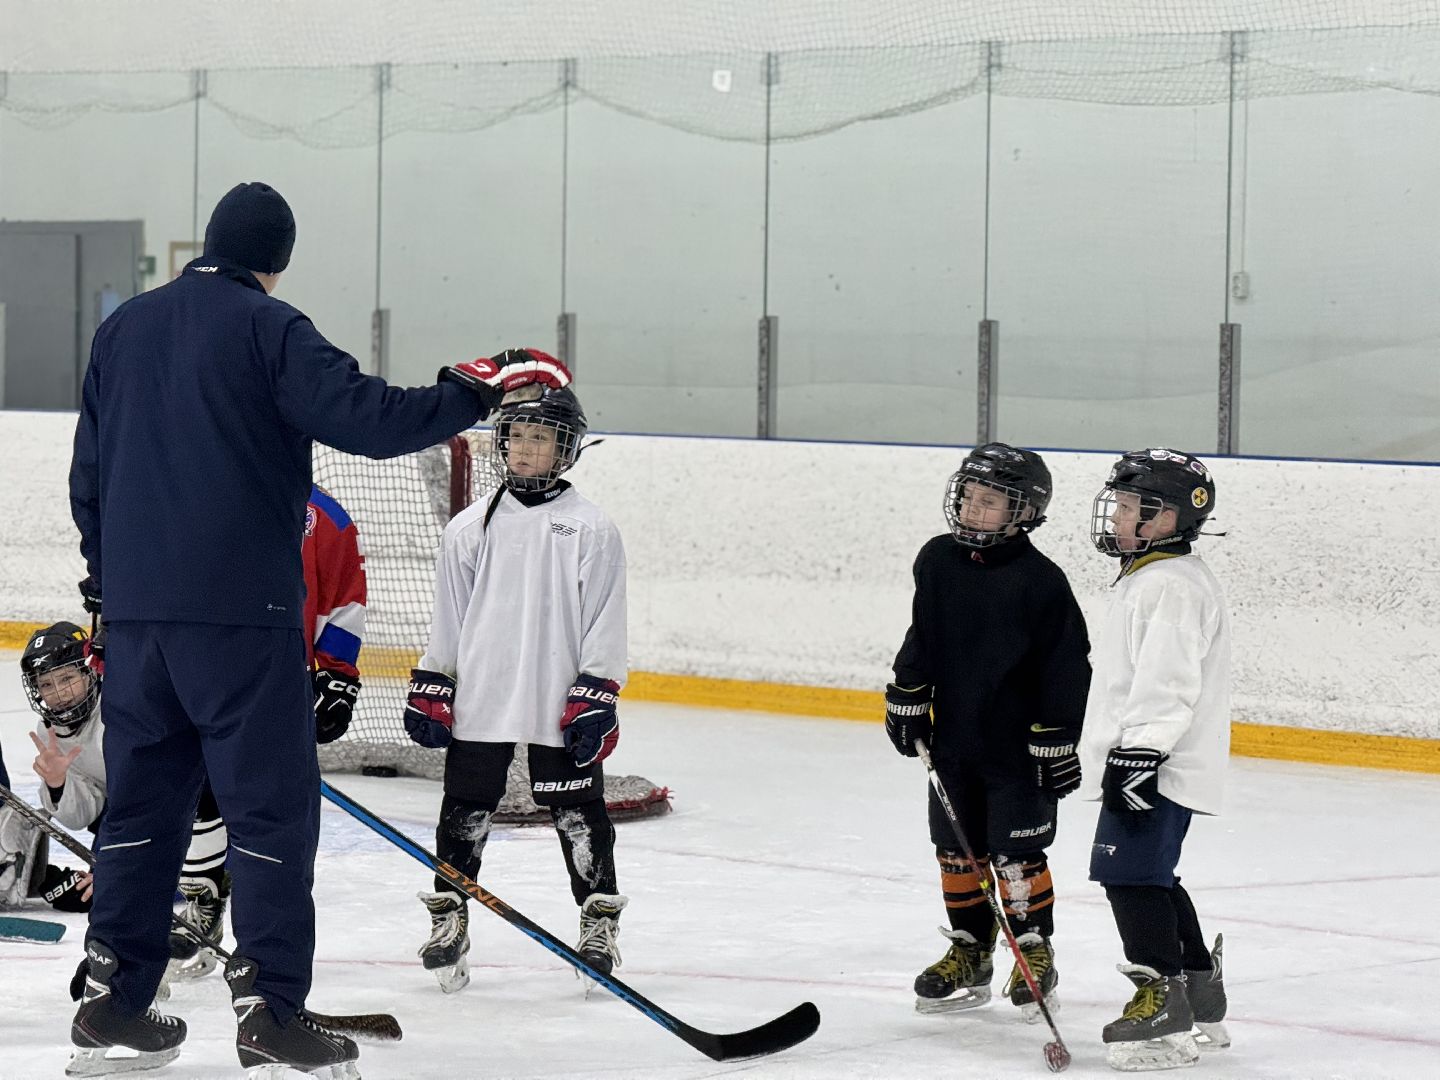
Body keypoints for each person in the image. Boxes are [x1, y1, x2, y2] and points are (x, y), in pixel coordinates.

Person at [67, 179, 571, 1077]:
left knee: (143, 810)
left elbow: (90, 476)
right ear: (277, 260)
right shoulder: (271, 327)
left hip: (140, 626)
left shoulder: (123, 330)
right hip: (242, 624)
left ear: (206, 245)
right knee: (270, 811)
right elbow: (370, 421)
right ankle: (270, 1009)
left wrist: (114, 593)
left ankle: (113, 999)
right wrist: (475, 384)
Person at [402, 384, 628, 994]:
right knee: (465, 809)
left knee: (579, 814)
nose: (526, 448)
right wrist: (435, 679)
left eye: (541, 437)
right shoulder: (469, 528)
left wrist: (597, 693)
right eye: (518, 435)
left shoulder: (591, 528)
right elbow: (449, 616)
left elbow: (605, 618)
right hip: (483, 694)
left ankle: (598, 919)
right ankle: (450, 917)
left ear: (565, 448)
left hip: (558, 699)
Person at [884, 443, 1091, 1017]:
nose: (975, 510)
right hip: (954, 738)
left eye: (991, 502)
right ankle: (972, 951)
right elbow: (923, 633)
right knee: (957, 850)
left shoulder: (1041, 581)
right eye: (970, 498)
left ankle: (1033, 949)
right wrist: (906, 692)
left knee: (1015, 854)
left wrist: (1057, 735)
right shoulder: (937, 560)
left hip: (1018, 748)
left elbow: (1068, 664)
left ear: (1023, 512)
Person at [166, 483, 368, 983]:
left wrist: (337, 673)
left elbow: (343, 598)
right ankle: (202, 896)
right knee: (197, 796)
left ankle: (276, 935)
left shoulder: (324, 516)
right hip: (205, 673)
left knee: (283, 814)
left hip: (282, 682)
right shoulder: (199, 495)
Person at [1078, 448, 1230, 1072]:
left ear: (1172, 518)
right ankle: (1199, 988)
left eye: (1133, 507)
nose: (1117, 517)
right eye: (1117, 505)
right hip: (1157, 756)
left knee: (1129, 876)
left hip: (1156, 760)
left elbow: (1168, 680)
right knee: (1152, 874)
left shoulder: (1169, 584)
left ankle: (1162, 997)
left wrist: (1140, 753)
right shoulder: (1156, 576)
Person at [0, 622, 100, 914]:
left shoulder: (122, 713)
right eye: (45, 684)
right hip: (123, 827)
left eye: (67, 678)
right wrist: (58, 785)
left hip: (183, 821)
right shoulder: (50, 734)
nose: (58, 693)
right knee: (79, 897)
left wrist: (113, 866)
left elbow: (145, 800)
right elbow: (86, 814)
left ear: (89, 671)